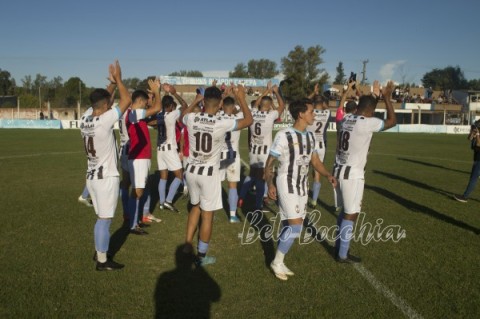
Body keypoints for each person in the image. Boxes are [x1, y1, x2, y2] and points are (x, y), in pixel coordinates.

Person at [265, 98, 337, 281]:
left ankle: (279, 262)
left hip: (302, 186)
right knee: (296, 226)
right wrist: (270, 184)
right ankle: (276, 262)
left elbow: (315, 162)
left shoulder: (311, 136)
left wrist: (328, 174)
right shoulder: (284, 135)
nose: (314, 115)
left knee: (288, 225)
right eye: (311, 112)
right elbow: (270, 161)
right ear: (301, 114)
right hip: (286, 182)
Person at [182, 85, 253, 266]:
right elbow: (248, 120)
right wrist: (241, 98)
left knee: (195, 207)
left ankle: (187, 244)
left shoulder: (192, 118)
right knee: (207, 216)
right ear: (221, 104)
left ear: (203, 102)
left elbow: (184, 116)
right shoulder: (221, 123)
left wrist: (195, 102)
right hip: (208, 174)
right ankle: (201, 257)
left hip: (191, 171)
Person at [334, 80, 396, 263]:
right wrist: (386, 97)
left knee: (345, 211)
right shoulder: (367, 123)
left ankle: (339, 247)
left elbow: (367, 106)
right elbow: (392, 121)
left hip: (338, 170)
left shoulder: (346, 118)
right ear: (371, 112)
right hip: (352, 175)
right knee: (351, 213)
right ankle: (342, 254)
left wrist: (374, 96)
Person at [80, 60, 131, 271]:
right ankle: (102, 261)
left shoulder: (85, 118)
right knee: (105, 219)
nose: (111, 105)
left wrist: (110, 84)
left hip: (91, 176)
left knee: (101, 218)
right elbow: (126, 99)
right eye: (108, 103)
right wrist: (118, 80)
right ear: (105, 106)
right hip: (106, 177)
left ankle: (100, 251)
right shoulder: (105, 119)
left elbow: (102, 101)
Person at [238, 82, 285, 210]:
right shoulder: (270, 116)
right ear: (269, 106)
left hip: (253, 150)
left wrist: (266, 91)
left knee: (252, 174)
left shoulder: (252, 113)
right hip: (265, 152)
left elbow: (257, 103)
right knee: (262, 178)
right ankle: (258, 205)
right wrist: (275, 92)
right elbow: (282, 106)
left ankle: (241, 196)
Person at [126, 79, 162, 235]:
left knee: (139, 190)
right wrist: (156, 91)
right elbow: (158, 107)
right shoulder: (134, 113)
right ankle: (132, 224)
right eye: (145, 103)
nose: (146, 106)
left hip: (141, 157)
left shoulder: (135, 115)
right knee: (138, 191)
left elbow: (153, 116)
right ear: (139, 101)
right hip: (139, 158)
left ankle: (135, 220)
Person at [150, 83, 188, 212]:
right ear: (171, 106)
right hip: (170, 149)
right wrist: (174, 92)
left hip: (160, 150)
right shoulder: (172, 115)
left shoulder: (159, 114)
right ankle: (169, 200)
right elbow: (184, 106)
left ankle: (161, 202)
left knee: (163, 177)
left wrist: (163, 92)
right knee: (179, 175)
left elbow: (161, 106)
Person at [219, 95, 243, 223]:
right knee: (232, 186)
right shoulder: (238, 118)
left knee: (216, 184)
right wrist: (240, 97)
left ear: (222, 106)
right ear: (233, 107)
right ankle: (233, 215)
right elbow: (246, 111)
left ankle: (211, 209)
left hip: (219, 155)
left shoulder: (217, 118)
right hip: (233, 155)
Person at [306, 84, 331, 208]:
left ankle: (303, 195)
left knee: (303, 171)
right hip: (321, 146)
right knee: (317, 173)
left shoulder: (310, 113)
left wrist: (313, 93)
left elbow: (304, 101)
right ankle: (314, 200)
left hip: (308, 145)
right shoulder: (327, 113)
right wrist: (320, 97)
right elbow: (327, 107)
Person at [453, 121, 480, 203]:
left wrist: (478, 134)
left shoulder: (479, 135)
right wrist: (473, 133)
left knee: (473, 178)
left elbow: (479, 144)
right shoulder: (476, 133)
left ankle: (465, 196)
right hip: (477, 158)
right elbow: (469, 139)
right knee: (474, 178)